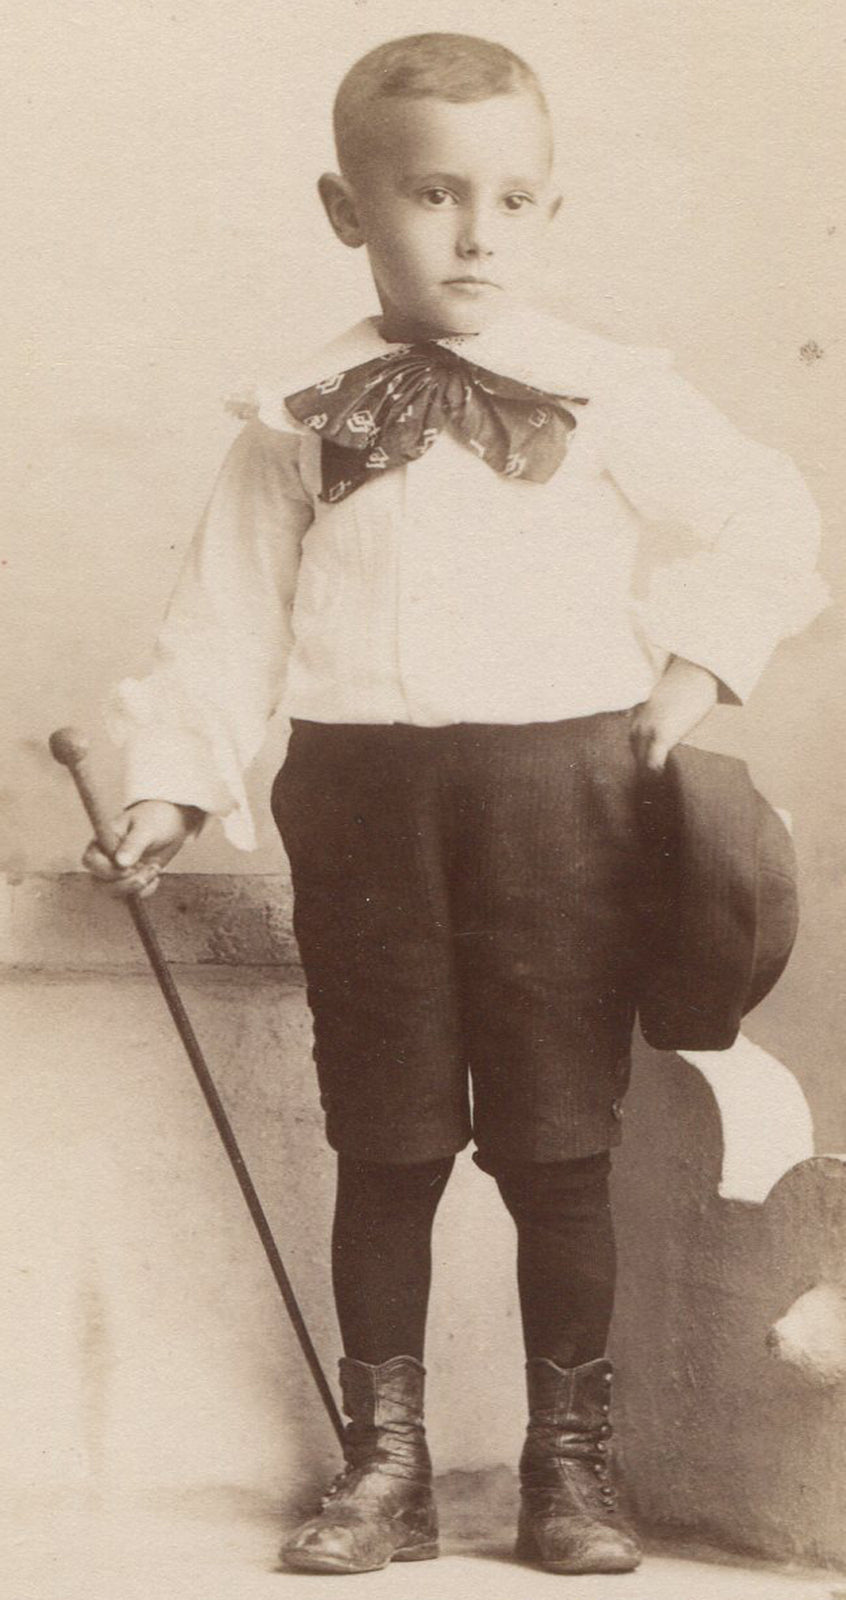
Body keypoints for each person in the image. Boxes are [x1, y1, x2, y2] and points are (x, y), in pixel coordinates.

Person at [82, 32, 826, 1577]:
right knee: (390, 1141)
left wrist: (687, 675)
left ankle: (572, 1466)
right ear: (346, 208)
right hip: (358, 803)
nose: (478, 232)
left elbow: (763, 510)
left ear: (551, 212)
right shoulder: (292, 421)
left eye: (514, 198)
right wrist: (166, 789)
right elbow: (222, 626)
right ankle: (387, 1468)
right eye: (432, 193)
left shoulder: (608, 392)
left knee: (559, 1147)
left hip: (562, 802)